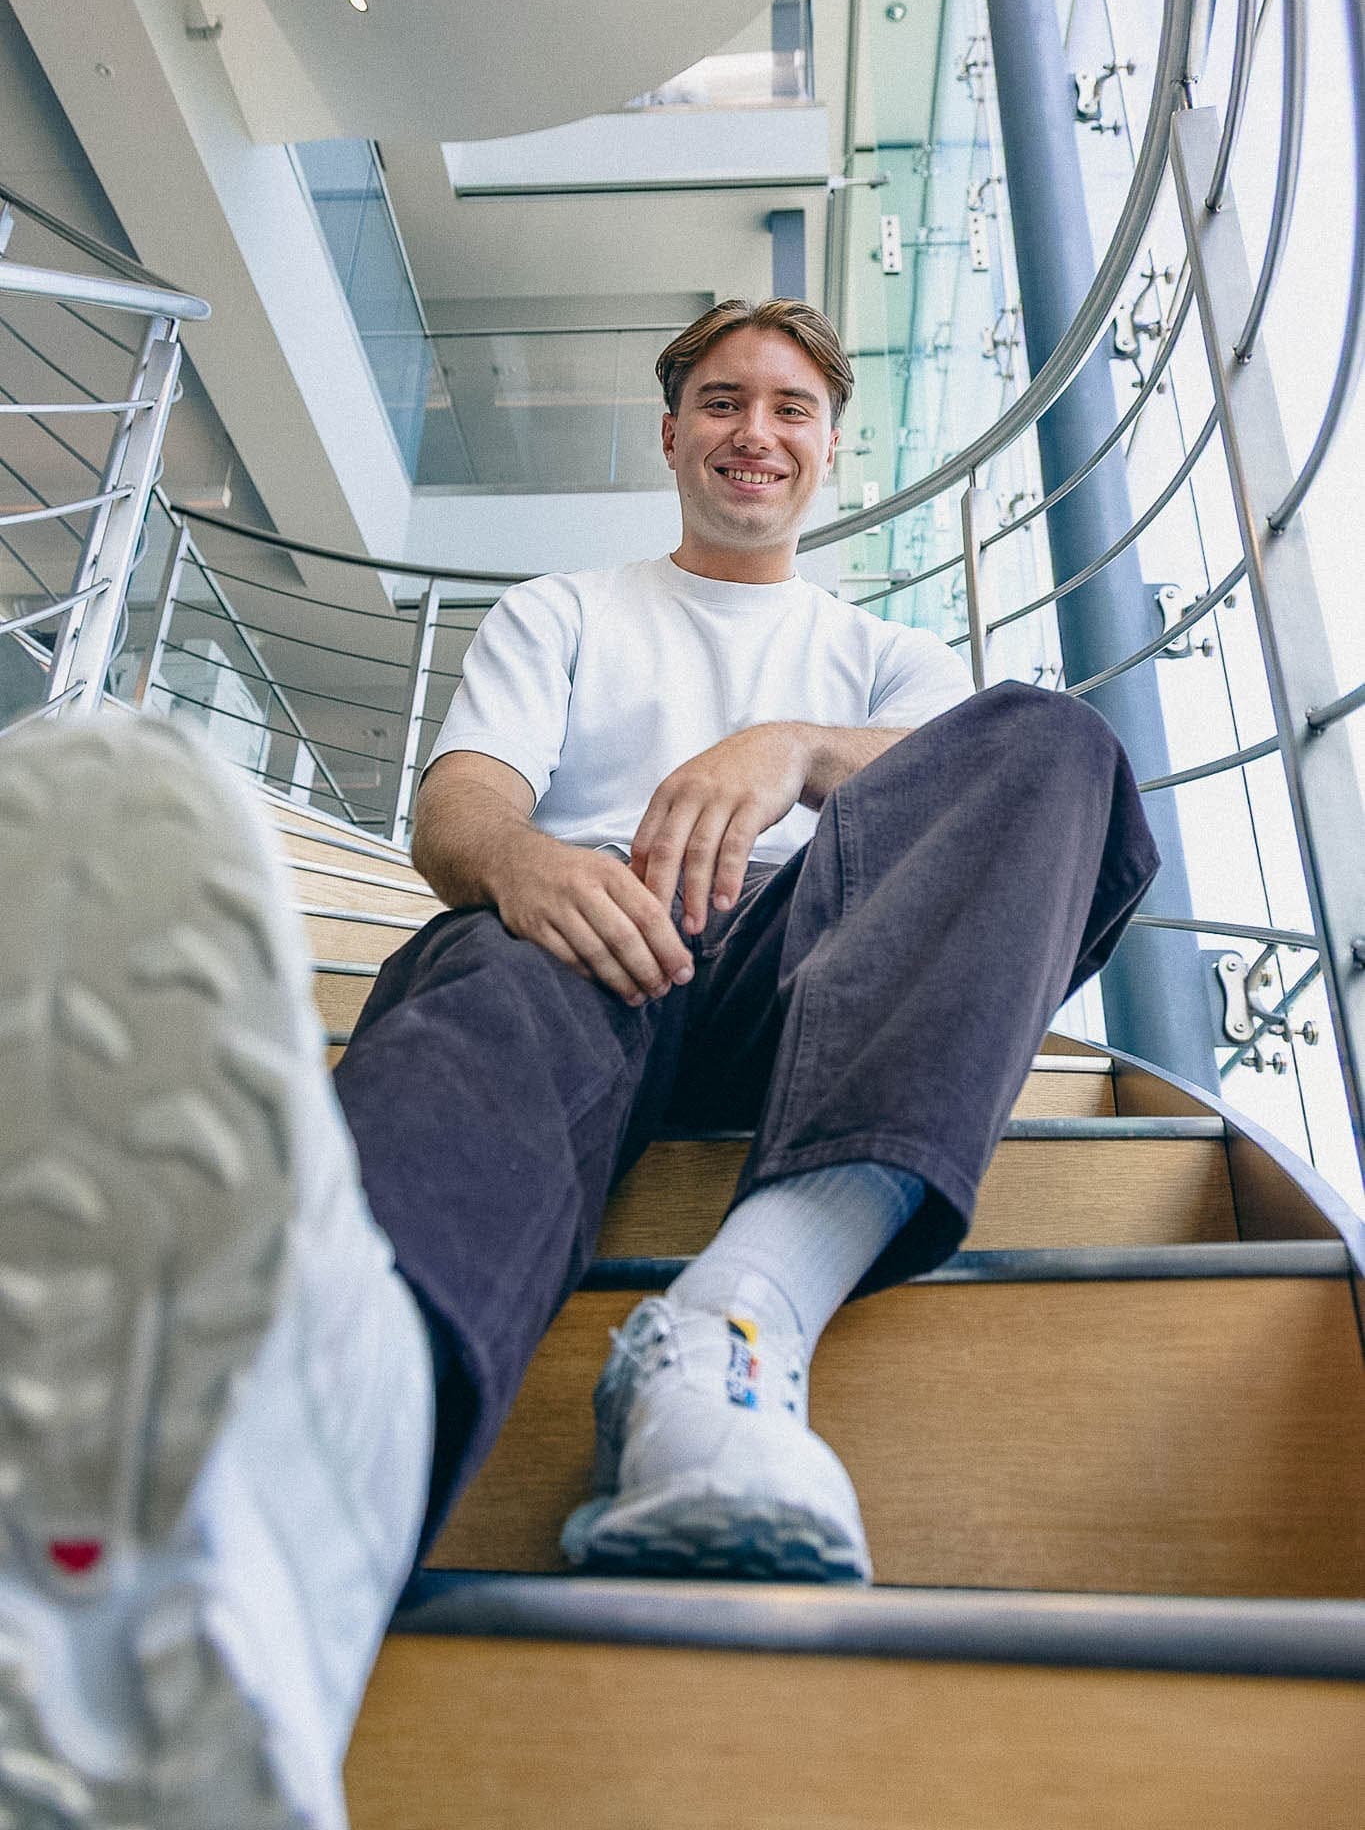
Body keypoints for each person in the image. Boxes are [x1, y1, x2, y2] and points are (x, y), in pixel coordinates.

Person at [0, 299, 1160, 1828]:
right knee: (486, 978)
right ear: (671, 429)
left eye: (792, 408)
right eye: (725, 401)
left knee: (1054, 742)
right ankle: (286, 1492)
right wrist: (523, 866)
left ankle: (735, 1326)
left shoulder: (880, 653)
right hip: (582, 937)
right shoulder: (564, 609)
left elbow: (979, 797)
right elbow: (462, 812)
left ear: (825, 447)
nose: (757, 432)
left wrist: (793, 748)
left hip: (811, 979)